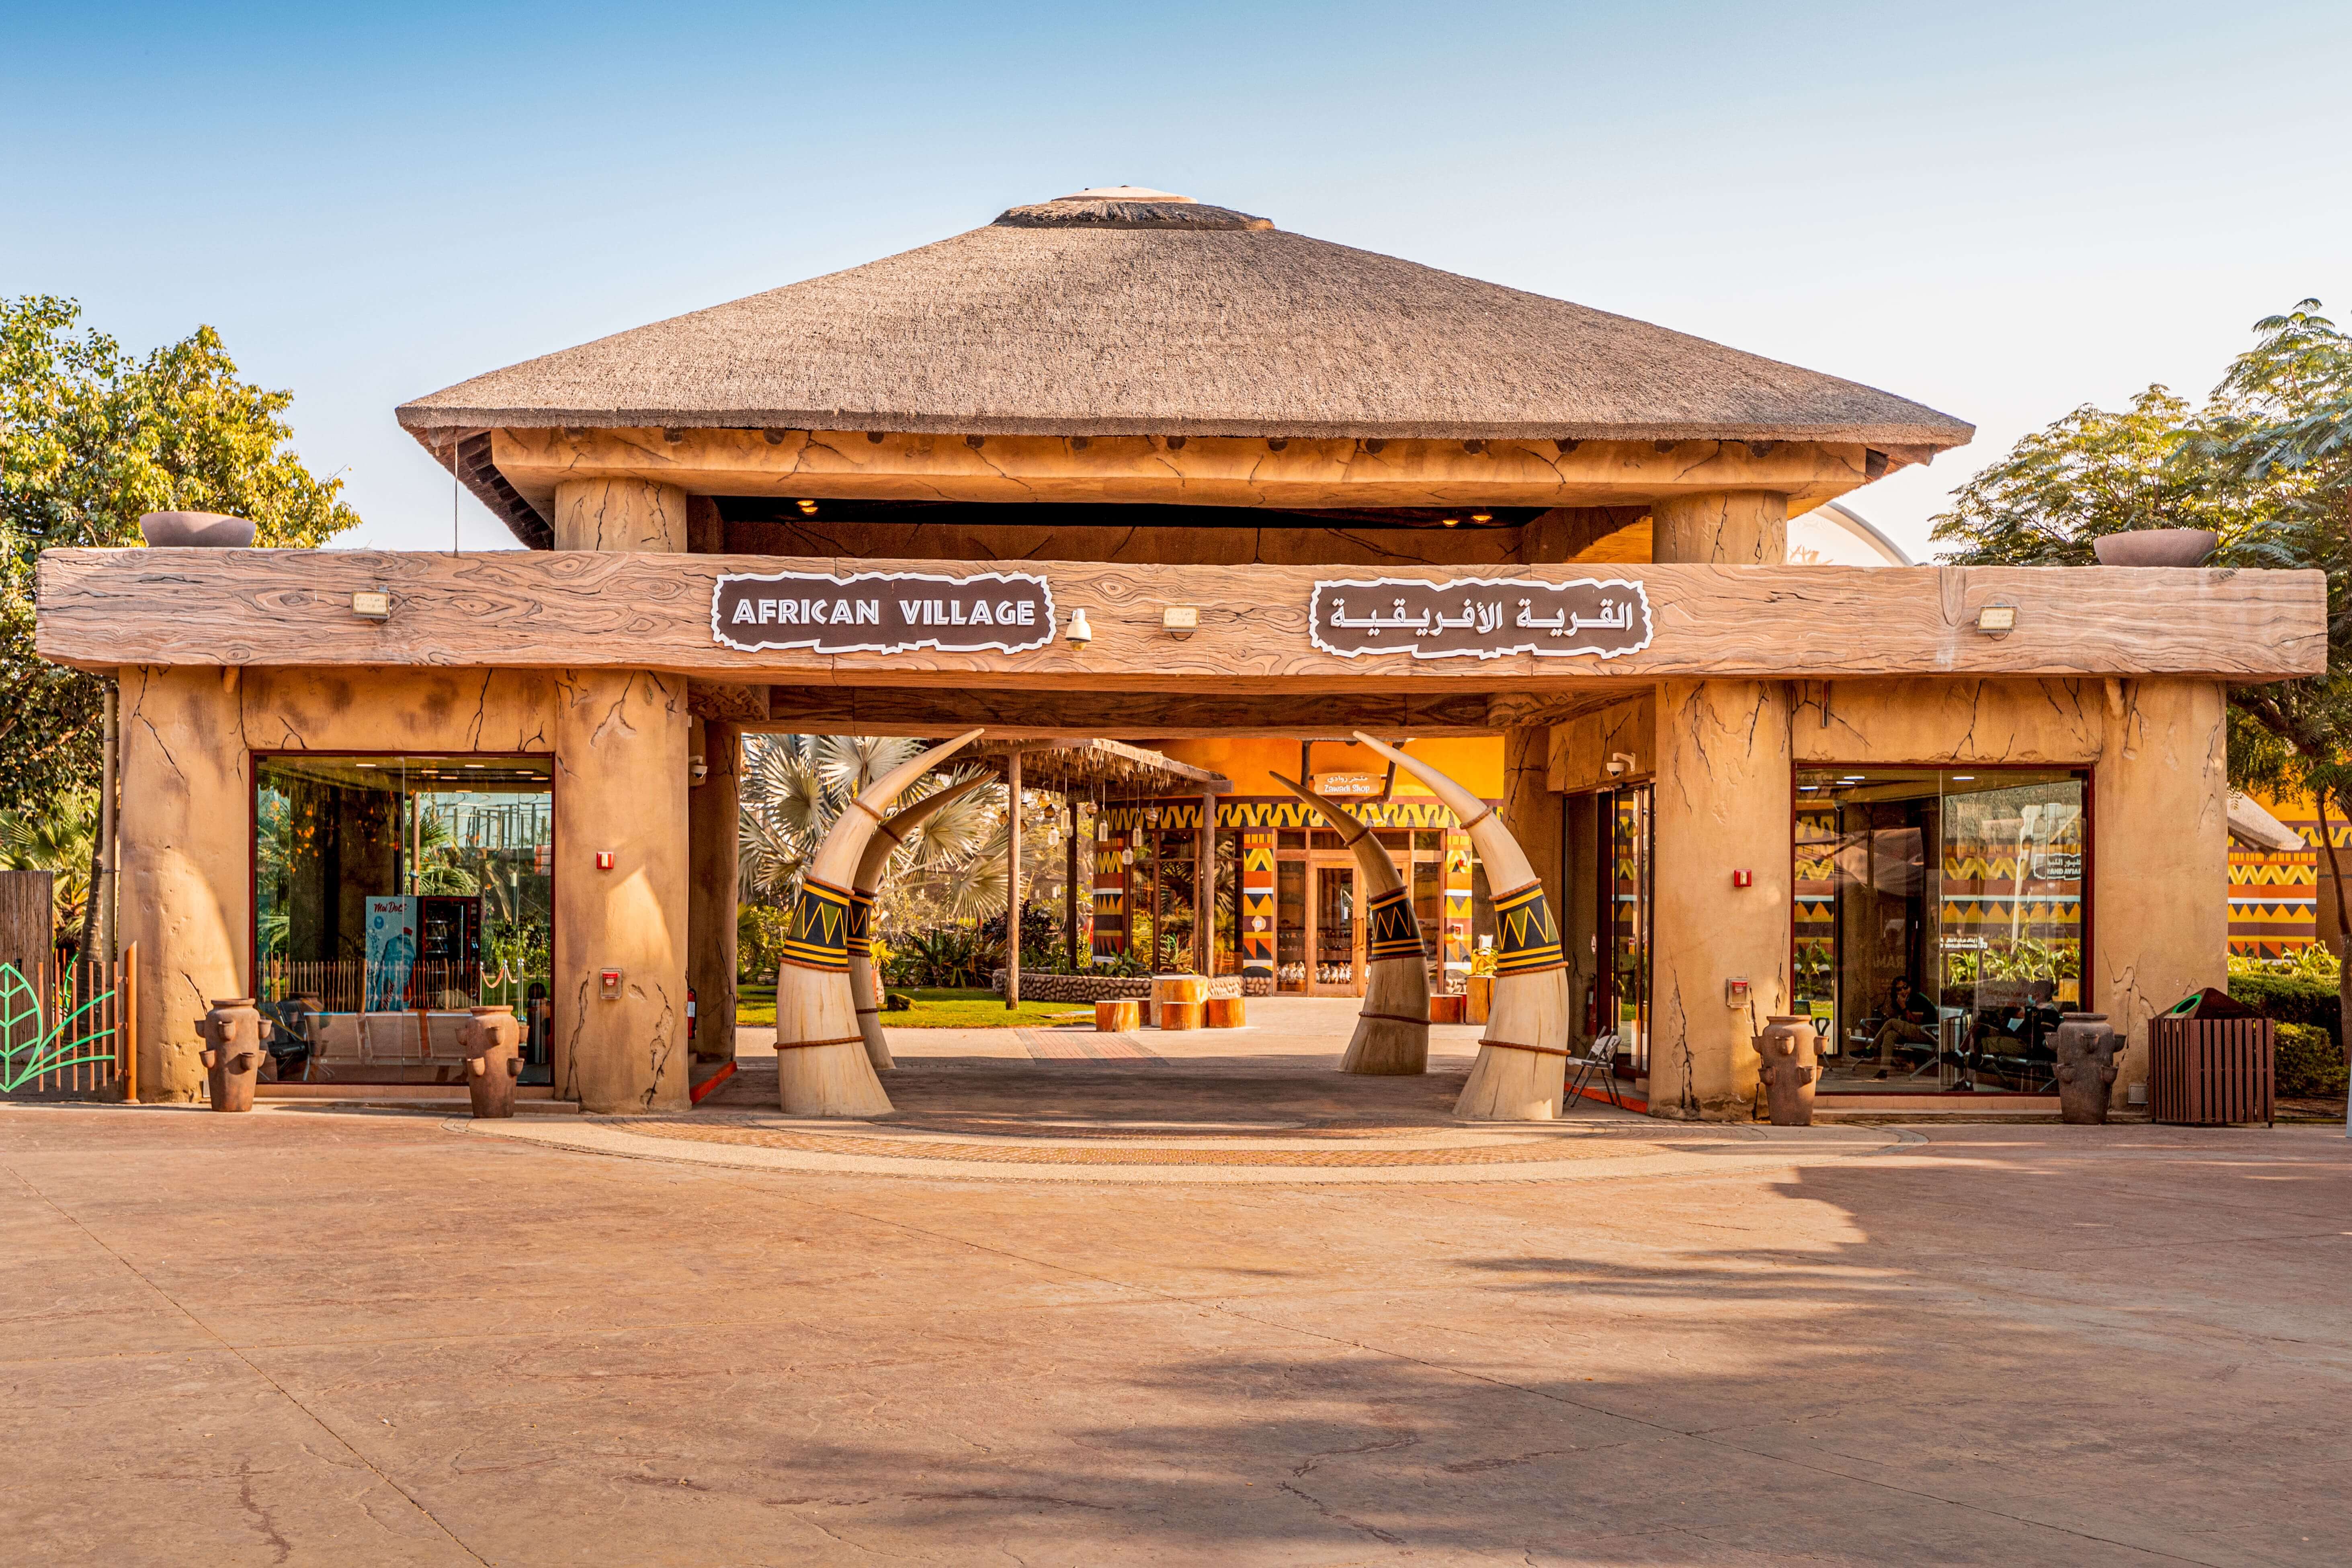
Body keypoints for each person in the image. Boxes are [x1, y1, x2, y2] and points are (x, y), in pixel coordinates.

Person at [1872, 976, 1938, 1072]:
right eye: (1899, 989)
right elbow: (1901, 1019)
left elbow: (1914, 1020)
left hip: (1926, 1032)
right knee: (1890, 1035)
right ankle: (1883, 1071)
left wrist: (1904, 1007)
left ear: (1910, 987)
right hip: (1912, 1032)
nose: (1903, 991)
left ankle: (1872, 1049)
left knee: (1891, 1023)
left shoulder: (1918, 998)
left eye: (1905, 987)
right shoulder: (1901, 1000)